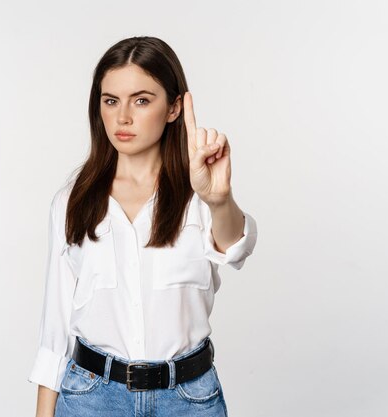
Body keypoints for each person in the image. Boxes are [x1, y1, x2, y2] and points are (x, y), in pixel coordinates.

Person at [28, 36, 258, 417]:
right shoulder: (72, 201)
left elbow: (237, 248)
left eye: (142, 100)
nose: (122, 118)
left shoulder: (200, 194)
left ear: (174, 108)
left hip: (188, 400)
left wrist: (219, 199)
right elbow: (55, 330)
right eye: (111, 100)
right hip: (91, 399)